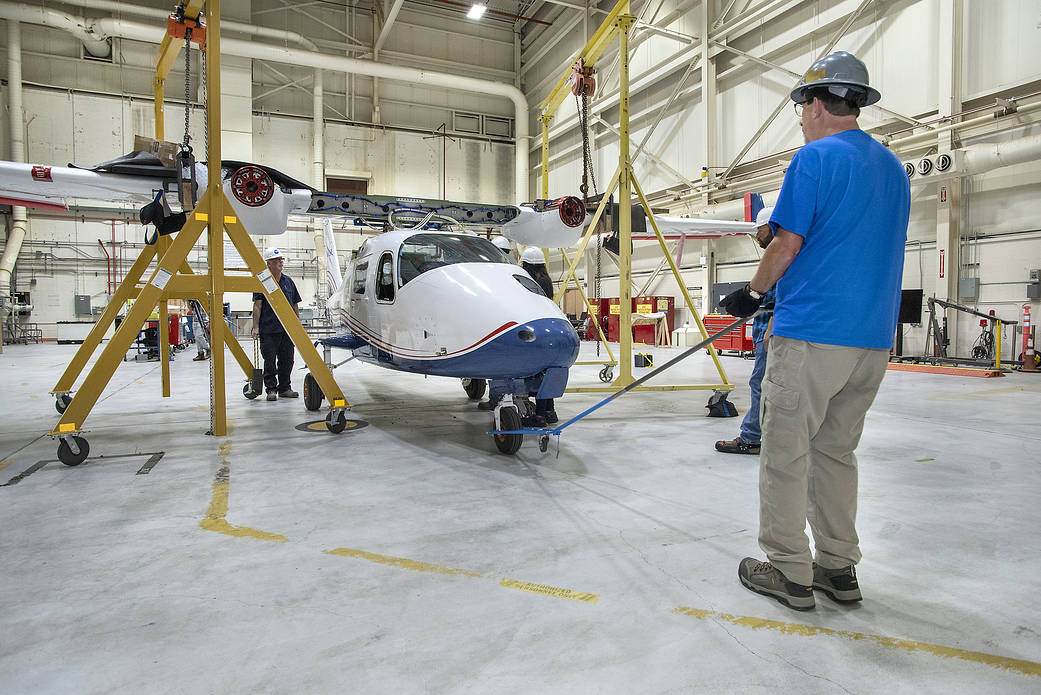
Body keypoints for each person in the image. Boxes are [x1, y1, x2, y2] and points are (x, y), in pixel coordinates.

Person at [720, 51, 910, 611]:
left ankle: (787, 570)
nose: (801, 117)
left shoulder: (813, 158)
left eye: (801, 105)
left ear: (817, 103)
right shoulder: (892, 168)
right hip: (871, 339)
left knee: (785, 453)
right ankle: (837, 567)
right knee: (836, 453)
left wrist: (751, 293)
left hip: (811, 334)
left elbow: (787, 243)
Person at [714, 206, 775, 455]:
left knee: (762, 384)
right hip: (767, 331)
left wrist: (770, 330)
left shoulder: (783, 252)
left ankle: (751, 438)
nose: (756, 236)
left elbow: (783, 298)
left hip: (773, 334)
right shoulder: (784, 252)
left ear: (770, 226)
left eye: (759, 230)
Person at [251, 247, 303, 401]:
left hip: (287, 330)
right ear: (269, 263)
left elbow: (295, 304)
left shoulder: (288, 282)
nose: (281, 262)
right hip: (268, 329)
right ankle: (271, 389)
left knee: (287, 360)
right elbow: (257, 306)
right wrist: (256, 327)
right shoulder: (263, 282)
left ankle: (285, 388)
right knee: (270, 361)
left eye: (281, 259)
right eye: (277, 260)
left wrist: (297, 324)